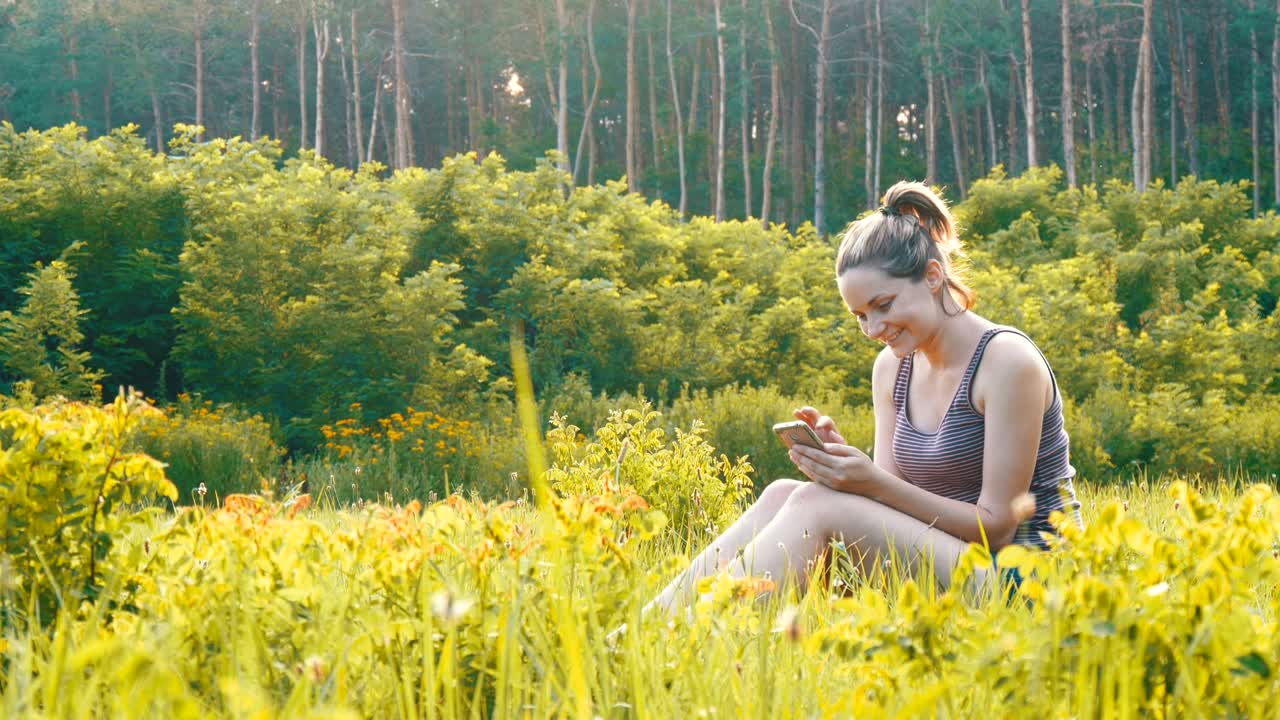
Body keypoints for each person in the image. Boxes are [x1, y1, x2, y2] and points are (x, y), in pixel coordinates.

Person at [642, 180, 1084, 616]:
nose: (874, 329)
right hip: (958, 564)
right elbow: (892, 504)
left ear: (933, 277)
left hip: (1030, 578)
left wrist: (868, 482)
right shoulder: (893, 367)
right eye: (861, 316)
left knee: (818, 505)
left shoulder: (1006, 361)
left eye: (884, 304)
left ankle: (689, 632)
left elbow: (997, 526)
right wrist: (845, 467)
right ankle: (648, 630)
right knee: (783, 492)